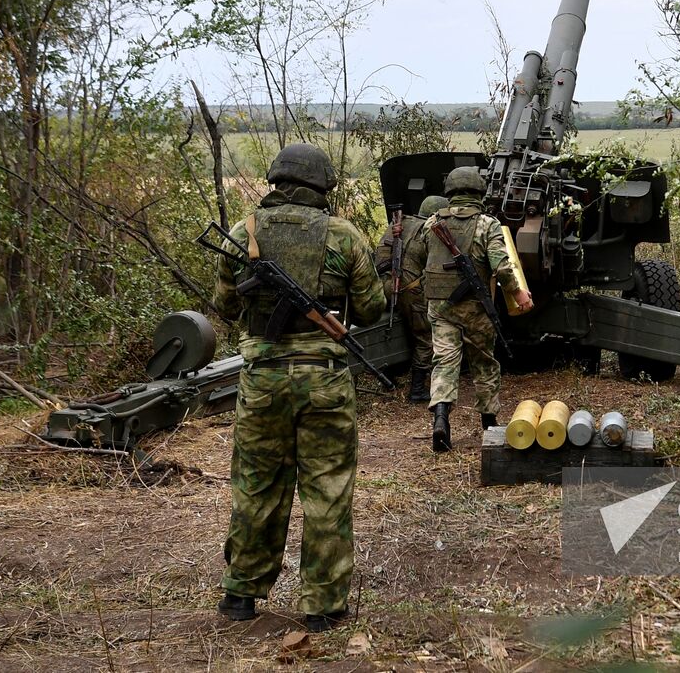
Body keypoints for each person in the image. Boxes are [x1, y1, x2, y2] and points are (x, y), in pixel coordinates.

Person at [211, 143, 384, 630]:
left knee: (256, 484)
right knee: (327, 489)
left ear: (275, 180)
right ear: (324, 185)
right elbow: (372, 311)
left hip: (262, 380)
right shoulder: (345, 236)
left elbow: (224, 305)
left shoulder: (244, 233)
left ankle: (241, 594)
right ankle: (323, 607)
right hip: (325, 380)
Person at [406, 166, 533, 452]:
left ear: (450, 192)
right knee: (484, 363)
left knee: (444, 362)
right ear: (479, 192)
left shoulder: (431, 223)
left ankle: (440, 419)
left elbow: (424, 258)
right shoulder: (487, 224)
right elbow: (501, 266)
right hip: (475, 307)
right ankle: (488, 422)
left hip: (440, 307)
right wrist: (519, 293)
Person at [375, 194, 448, 403]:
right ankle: (417, 389)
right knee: (424, 336)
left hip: (380, 286)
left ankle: (389, 375)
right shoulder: (429, 231)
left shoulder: (398, 224)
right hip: (408, 289)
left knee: (390, 329)